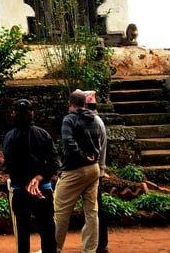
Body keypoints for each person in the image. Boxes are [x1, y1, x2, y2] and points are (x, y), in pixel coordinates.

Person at [54, 89, 107, 253]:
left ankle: (53, 247)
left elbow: (67, 142)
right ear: (84, 104)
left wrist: (82, 156)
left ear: (70, 104)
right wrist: (94, 158)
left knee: (60, 210)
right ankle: (89, 250)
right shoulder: (95, 119)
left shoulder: (69, 119)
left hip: (74, 170)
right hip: (93, 169)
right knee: (92, 212)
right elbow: (100, 143)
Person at [2, 98, 58, 253]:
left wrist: (27, 183)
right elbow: (54, 162)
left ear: (13, 114)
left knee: (22, 232)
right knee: (47, 230)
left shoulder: (10, 137)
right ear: (32, 113)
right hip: (42, 190)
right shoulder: (43, 134)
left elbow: (10, 165)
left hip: (20, 190)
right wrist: (39, 178)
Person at [84, 90, 109, 253]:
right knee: (95, 208)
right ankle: (99, 242)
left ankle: (99, 243)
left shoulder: (94, 122)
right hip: (97, 170)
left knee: (95, 209)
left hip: (93, 171)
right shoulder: (96, 121)